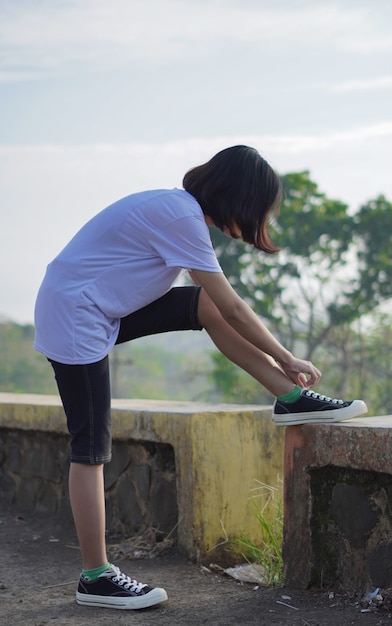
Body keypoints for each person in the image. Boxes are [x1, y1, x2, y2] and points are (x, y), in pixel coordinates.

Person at [34, 145, 367, 610]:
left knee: (202, 306)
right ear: (238, 197)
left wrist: (283, 369)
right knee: (90, 447)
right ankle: (96, 577)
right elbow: (233, 305)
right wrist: (287, 355)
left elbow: (216, 308)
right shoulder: (179, 217)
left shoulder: (178, 210)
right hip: (76, 315)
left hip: (97, 308)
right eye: (257, 208)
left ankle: (290, 398)